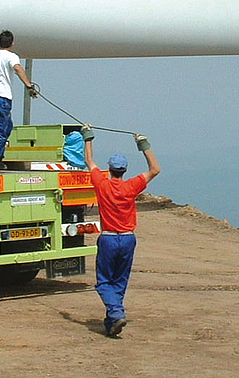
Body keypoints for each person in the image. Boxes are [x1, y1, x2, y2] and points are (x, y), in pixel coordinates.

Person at [81, 126, 161, 337]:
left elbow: (89, 161)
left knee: (104, 281)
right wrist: (144, 145)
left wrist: (87, 137)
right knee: (120, 280)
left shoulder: (102, 183)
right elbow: (155, 169)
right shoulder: (132, 186)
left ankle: (116, 312)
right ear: (124, 170)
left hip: (108, 238)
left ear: (110, 169)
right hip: (127, 239)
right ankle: (111, 322)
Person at [0, 30, 37, 172]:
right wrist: (29, 85)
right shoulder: (11, 57)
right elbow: (18, 68)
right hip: (2, 97)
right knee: (0, 130)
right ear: (12, 43)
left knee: (6, 127)